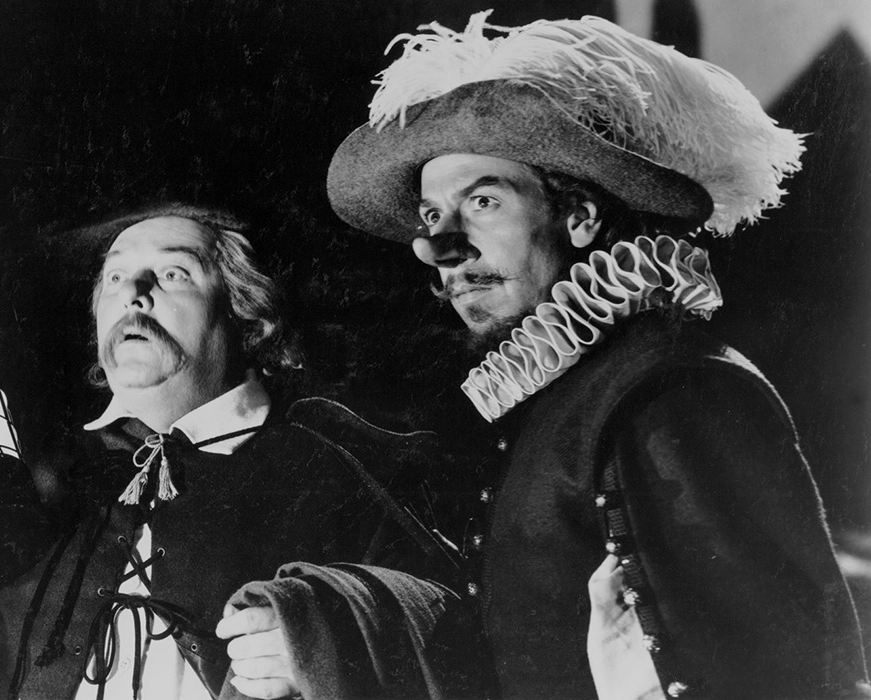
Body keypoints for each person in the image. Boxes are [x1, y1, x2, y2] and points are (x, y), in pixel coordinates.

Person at [326, 12, 870, 700]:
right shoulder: (565, 389)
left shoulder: (672, 388)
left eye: (483, 202)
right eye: (432, 216)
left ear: (580, 218)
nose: (442, 246)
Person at [0, 202, 480, 700]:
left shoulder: (333, 462)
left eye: (173, 274)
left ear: (248, 316)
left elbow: (451, 626)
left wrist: (319, 635)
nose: (133, 294)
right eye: (115, 277)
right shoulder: (29, 469)